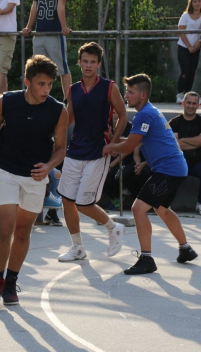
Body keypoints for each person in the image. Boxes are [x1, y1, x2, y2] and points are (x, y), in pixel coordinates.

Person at [0, 54, 68, 307]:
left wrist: (49, 166)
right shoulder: (6, 102)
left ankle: (11, 282)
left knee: (23, 231)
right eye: (41, 83)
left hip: (35, 174)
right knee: (5, 227)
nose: (46, 89)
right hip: (6, 170)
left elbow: (61, 148)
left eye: (49, 84)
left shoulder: (58, 110)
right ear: (27, 82)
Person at [102, 74, 198, 275]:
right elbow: (135, 140)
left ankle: (146, 259)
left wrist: (109, 146)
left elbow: (129, 145)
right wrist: (115, 141)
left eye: (130, 92)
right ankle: (185, 249)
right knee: (162, 209)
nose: (126, 95)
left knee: (138, 209)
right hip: (175, 168)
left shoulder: (144, 115)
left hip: (168, 170)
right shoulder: (148, 112)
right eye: (126, 91)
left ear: (143, 95)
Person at [57, 42, 127, 262]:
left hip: (98, 151)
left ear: (98, 64)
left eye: (92, 62)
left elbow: (123, 116)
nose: (88, 65)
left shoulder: (109, 87)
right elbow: (69, 118)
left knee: (83, 204)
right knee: (67, 201)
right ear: (79, 63)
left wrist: (112, 145)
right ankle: (77, 247)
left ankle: (113, 227)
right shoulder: (72, 89)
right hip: (74, 150)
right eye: (85, 61)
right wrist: (52, 134)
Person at [23, 0, 71, 101]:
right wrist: (29, 27)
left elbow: (60, 7)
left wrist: (63, 27)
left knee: (62, 68)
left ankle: (68, 100)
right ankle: (38, 98)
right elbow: (34, 8)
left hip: (54, 34)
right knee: (38, 68)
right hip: (39, 34)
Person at [169, 91, 201, 216]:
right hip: (178, 162)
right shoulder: (174, 123)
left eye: (194, 103)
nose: (191, 106)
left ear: (198, 106)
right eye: (188, 102)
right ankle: (165, 204)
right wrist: (196, 141)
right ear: (183, 103)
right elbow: (174, 145)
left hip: (197, 163)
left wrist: (182, 140)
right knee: (165, 171)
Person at [176, 0, 201, 104]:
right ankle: (179, 93)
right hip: (184, 47)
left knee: (193, 72)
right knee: (185, 71)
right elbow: (181, 31)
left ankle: (188, 95)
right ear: (191, 3)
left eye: (199, 1)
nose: (197, 3)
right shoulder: (185, 15)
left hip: (197, 47)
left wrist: (199, 42)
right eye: (194, 1)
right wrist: (188, 46)